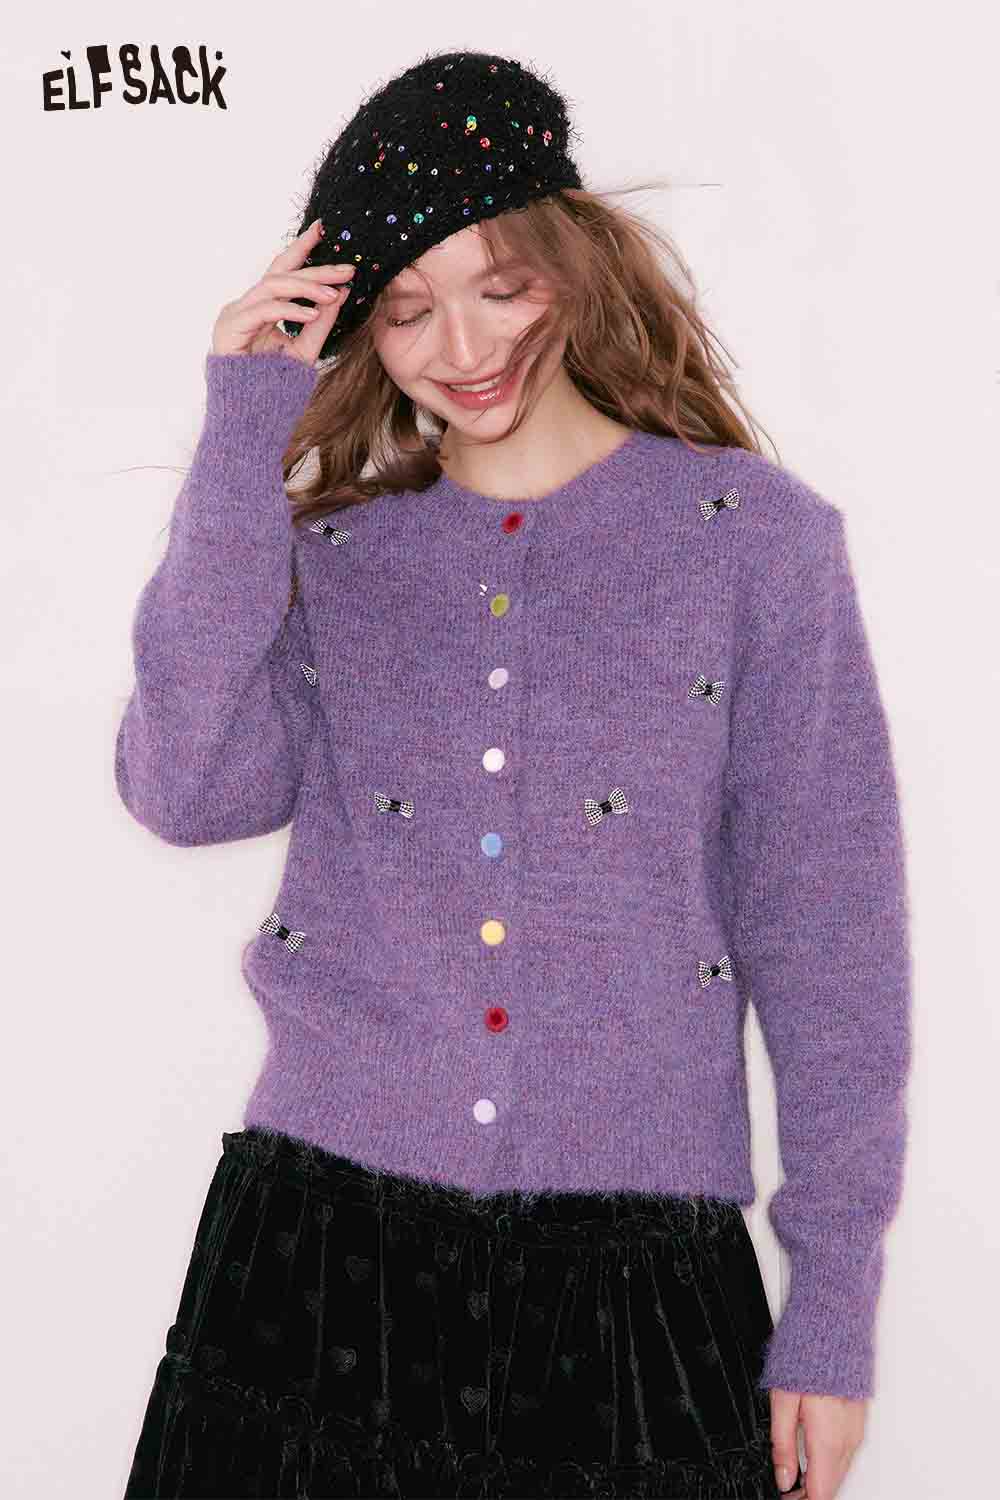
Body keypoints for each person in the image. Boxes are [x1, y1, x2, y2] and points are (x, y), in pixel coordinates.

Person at [118, 48, 912, 1500]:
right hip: (316, 1272)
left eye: (503, 285)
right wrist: (243, 428)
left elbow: (829, 937)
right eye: (407, 308)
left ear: (576, 264)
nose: (462, 345)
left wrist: (835, 1307)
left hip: (636, 1286)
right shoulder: (340, 562)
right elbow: (183, 786)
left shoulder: (756, 543)